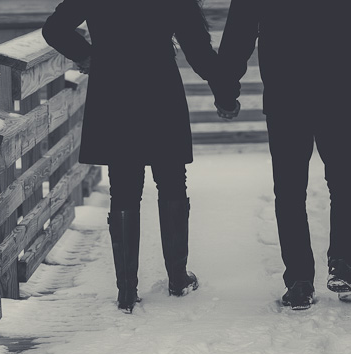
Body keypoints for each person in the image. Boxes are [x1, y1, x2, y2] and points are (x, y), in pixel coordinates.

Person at [43, 0, 230, 313]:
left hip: (113, 87)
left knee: (124, 186)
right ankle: (177, 278)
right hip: (160, 86)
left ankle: (127, 290)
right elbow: (196, 48)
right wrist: (224, 91)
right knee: (171, 181)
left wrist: (88, 54)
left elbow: (54, 29)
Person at [214, 0, 351, 310]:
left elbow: (239, 33)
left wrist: (227, 92)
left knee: (289, 189)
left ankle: (299, 281)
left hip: (285, 94)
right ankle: (343, 265)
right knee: (344, 181)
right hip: (336, 90)